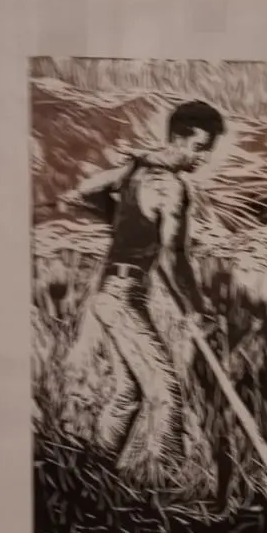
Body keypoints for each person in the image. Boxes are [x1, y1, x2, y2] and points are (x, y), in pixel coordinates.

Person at [64, 99, 225, 489]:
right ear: (179, 138)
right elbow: (174, 255)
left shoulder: (136, 170)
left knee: (128, 392)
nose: (204, 158)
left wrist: (124, 221)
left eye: (209, 150)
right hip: (123, 297)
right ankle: (161, 488)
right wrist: (197, 309)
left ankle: (93, 476)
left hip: (112, 294)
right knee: (166, 394)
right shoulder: (171, 187)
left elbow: (85, 190)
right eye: (200, 147)